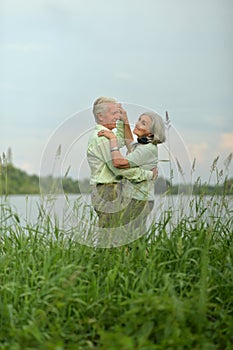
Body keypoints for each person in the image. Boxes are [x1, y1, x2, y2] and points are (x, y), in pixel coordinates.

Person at [87, 97, 157, 228]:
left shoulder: (107, 135)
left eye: (118, 113)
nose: (117, 116)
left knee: (115, 232)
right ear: (100, 116)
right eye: (114, 113)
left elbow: (119, 141)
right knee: (109, 233)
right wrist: (148, 175)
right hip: (106, 190)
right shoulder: (101, 138)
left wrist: (122, 120)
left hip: (111, 189)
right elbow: (118, 168)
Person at [98, 110, 166, 228]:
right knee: (127, 237)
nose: (138, 123)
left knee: (129, 238)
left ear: (151, 134)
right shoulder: (141, 146)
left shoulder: (147, 149)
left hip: (139, 201)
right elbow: (130, 143)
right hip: (132, 199)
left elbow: (119, 163)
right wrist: (124, 120)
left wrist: (113, 140)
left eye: (143, 123)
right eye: (139, 120)